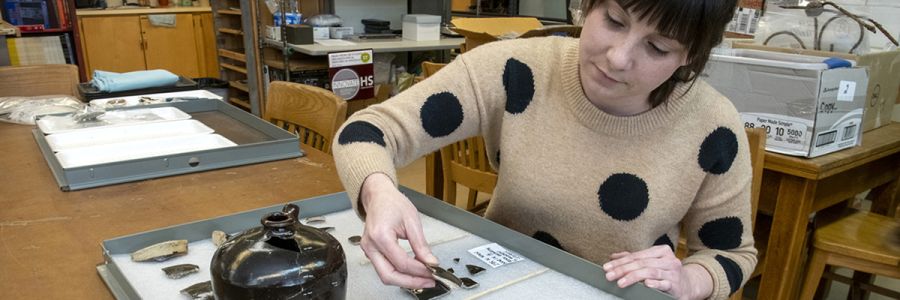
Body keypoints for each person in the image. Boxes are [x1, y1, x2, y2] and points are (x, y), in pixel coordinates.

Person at [331, 0, 756, 299]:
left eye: (658, 47)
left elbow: (731, 253)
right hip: (497, 282)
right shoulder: (516, 69)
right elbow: (368, 129)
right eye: (613, 20)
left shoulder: (712, 124)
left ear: (690, 57)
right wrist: (380, 191)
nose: (619, 57)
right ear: (588, 7)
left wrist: (688, 281)